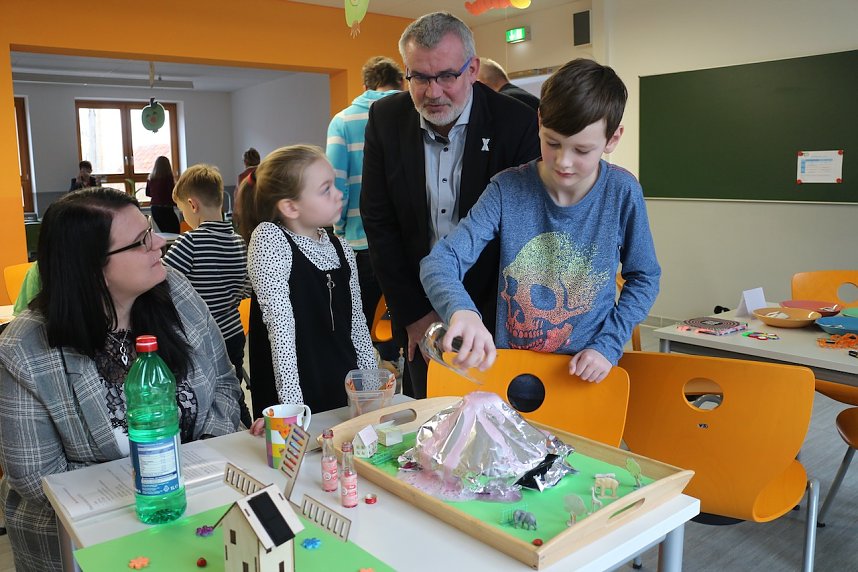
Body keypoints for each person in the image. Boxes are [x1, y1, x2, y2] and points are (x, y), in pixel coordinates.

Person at [0, 187, 241, 572]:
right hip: (85, 540)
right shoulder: (27, 346)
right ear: (92, 268)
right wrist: (154, 485)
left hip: (198, 510)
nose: (159, 241)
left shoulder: (174, 290)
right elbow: (35, 478)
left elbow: (226, 385)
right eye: (141, 240)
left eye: (150, 228)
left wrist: (197, 465)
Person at [420, 58, 661, 383]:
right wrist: (462, 310)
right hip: (513, 375)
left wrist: (609, 344)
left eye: (582, 150)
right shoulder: (507, 188)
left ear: (612, 139)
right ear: (539, 121)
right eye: (552, 143)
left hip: (587, 376)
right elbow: (440, 261)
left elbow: (644, 277)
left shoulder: (621, 192)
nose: (563, 161)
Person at [361, 11, 540, 399]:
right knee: (431, 429)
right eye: (420, 78)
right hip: (421, 312)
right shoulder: (385, 119)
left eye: (446, 76)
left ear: (472, 69)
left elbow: (526, 233)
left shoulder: (516, 124)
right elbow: (379, 223)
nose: (433, 92)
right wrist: (413, 316)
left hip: (498, 313)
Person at [236, 145, 375, 417]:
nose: (339, 194)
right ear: (290, 206)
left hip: (341, 391)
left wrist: (369, 393)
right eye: (325, 189)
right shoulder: (270, 239)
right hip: (294, 397)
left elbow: (357, 326)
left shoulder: (341, 247)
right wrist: (294, 413)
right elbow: (282, 333)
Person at [163, 164, 253, 428]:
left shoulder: (188, 243)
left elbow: (162, 282)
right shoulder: (239, 242)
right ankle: (244, 428)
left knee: (203, 394)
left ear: (192, 204)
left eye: (181, 209)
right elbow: (246, 288)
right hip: (234, 333)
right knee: (233, 388)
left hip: (200, 338)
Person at [326, 55, 403, 337]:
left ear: (365, 86)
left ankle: (373, 376)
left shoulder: (343, 120)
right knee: (407, 325)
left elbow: (336, 182)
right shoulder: (415, 111)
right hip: (412, 241)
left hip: (361, 242)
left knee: (361, 325)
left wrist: (340, 228)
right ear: (399, 82)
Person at [146, 155, 179, 233]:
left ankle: (167, 245)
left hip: (155, 209)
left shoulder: (151, 178)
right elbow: (172, 194)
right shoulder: (168, 178)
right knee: (175, 231)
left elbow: (148, 193)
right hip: (166, 209)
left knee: (165, 232)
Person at [234, 147, 261, 225]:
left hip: (247, 215)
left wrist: (236, 216)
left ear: (245, 162)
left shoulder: (242, 177)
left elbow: (238, 199)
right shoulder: (266, 174)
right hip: (264, 213)